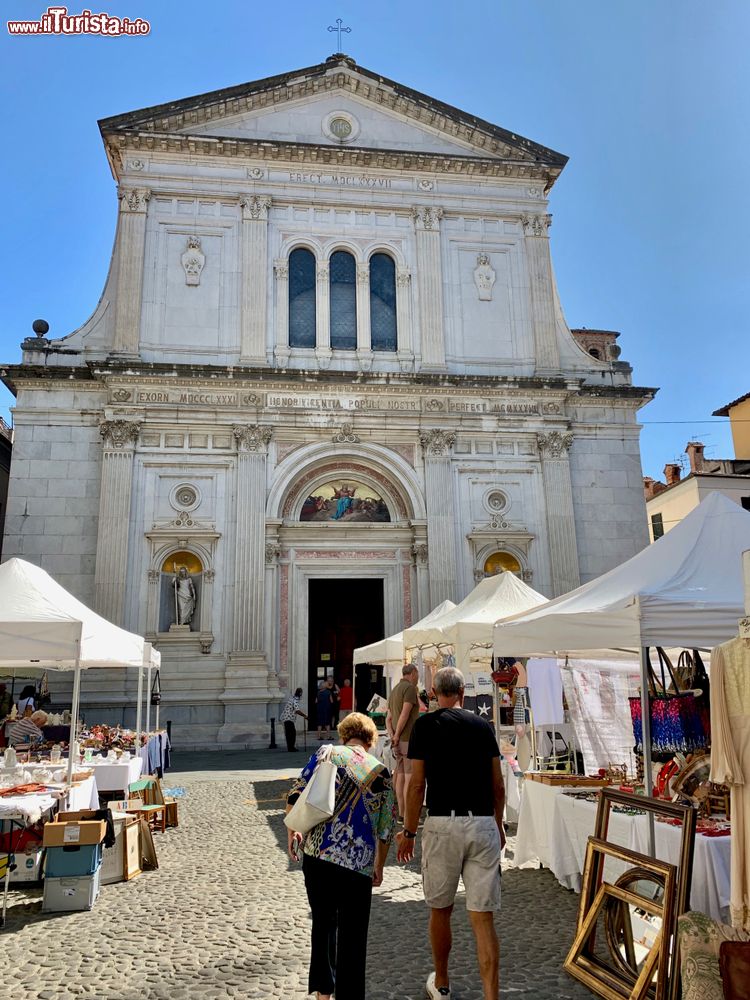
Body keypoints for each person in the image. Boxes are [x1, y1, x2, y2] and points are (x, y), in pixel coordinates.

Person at [397, 666, 506, 1000]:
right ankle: (491, 996)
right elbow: (498, 785)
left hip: (442, 823)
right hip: (481, 822)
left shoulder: (425, 727)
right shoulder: (482, 726)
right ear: (462, 692)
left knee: (440, 909)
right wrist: (499, 825)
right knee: (483, 918)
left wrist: (409, 831)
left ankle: (442, 982)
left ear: (434, 692)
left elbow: (417, 785)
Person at [286, 712, 397, 1000]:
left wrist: (294, 830)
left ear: (343, 735)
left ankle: (324, 992)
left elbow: (296, 794)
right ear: (371, 740)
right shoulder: (381, 771)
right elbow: (386, 828)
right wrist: (379, 866)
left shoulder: (327, 753)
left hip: (319, 853)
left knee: (323, 924)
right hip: (357, 863)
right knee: (354, 934)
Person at [386, 663, 420, 817]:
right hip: (407, 738)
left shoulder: (393, 691)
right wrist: (398, 735)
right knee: (408, 777)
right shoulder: (410, 689)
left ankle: (401, 813)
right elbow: (405, 714)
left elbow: (388, 719)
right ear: (413, 673)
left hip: (398, 739)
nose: (417, 678)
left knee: (399, 775)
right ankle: (408, 816)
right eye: (417, 675)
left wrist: (392, 736)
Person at [280, 687, 308, 751]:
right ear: (300, 693)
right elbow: (297, 710)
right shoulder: (295, 700)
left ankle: (290, 747)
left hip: (286, 718)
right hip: (288, 718)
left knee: (289, 733)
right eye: (301, 693)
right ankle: (291, 747)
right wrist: (305, 716)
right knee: (292, 733)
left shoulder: (292, 698)